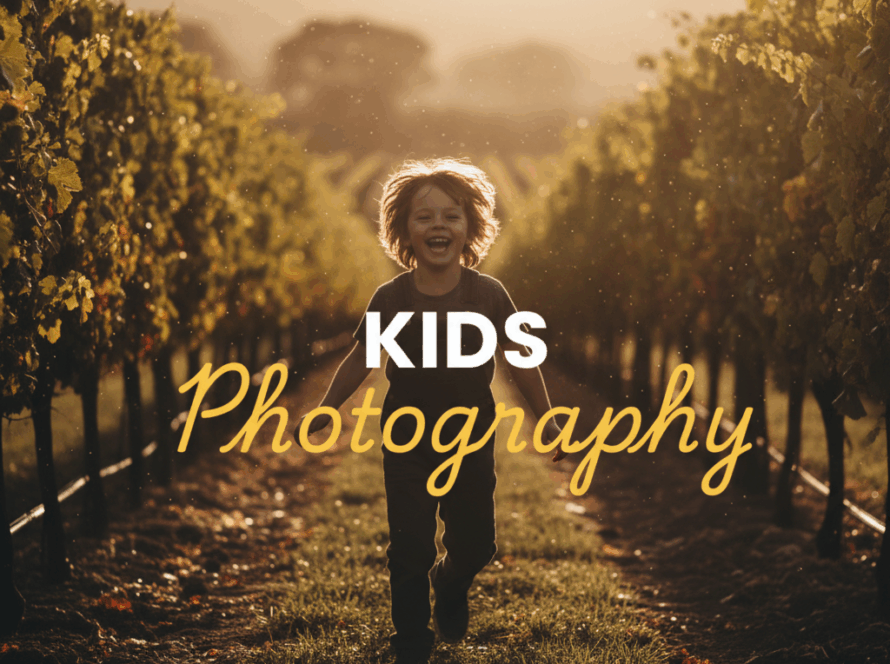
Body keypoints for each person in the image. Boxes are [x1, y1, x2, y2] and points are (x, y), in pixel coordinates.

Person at [296, 158, 565, 664]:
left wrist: (546, 418)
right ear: (403, 230)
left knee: (478, 542)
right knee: (410, 545)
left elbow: (521, 362)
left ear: (470, 229)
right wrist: (327, 407)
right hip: (406, 441)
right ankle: (412, 641)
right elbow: (362, 358)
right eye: (424, 216)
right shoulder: (391, 300)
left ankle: (452, 578)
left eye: (451, 215)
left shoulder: (488, 295)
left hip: (470, 440)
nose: (438, 225)